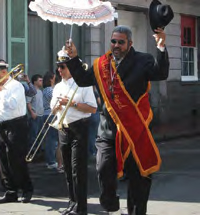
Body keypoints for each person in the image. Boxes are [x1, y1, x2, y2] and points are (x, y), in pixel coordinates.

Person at [65, 25, 170, 215]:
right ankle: (111, 206)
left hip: (134, 131)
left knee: (138, 179)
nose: (116, 45)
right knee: (103, 169)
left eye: (121, 42)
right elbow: (81, 79)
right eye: (113, 41)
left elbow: (161, 73)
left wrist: (161, 48)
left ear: (130, 43)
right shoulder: (101, 65)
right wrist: (73, 58)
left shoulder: (143, 60)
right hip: (108, 131)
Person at [50, 48, 97, 215]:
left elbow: (92, 108)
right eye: (59, 67)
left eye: (63, 66)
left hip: (79, 127)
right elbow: (53, 110)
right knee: (68, 169)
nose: (60, 70)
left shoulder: (82, 84)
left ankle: (81, 207)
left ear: (71, 66)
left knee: (78, 169)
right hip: (63, 128)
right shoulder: (57, 87)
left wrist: (71, 104)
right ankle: (72, 202)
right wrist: (56, 107)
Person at [0, 61, 33, 203]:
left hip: (16, 124)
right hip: (1, 124)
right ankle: (10, 191)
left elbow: (12, 104)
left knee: (16, 158)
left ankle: (26, 189)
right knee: (4, 160)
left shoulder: (15, 86)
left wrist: (0, 92)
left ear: (3, 72)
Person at [43, 71, 63, 172]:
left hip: (48, 115)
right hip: (51, 115)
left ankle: (51, 160)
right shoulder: (49, 90)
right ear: (51, 79)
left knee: (51, 139)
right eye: (54, 77)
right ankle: (51, 161)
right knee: (53, 139)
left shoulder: (47, 89)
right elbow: (57, 99)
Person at [26, 74, 44, 149]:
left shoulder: (40, 91)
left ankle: (38, 153)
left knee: (40, 136)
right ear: (35, 82)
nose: (41, 82)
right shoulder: (31, 91)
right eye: (40, 80)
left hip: (41, 116)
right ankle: (31, 153)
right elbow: (28, 102)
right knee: (33, 137)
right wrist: (32, 113)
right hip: (34, 117)